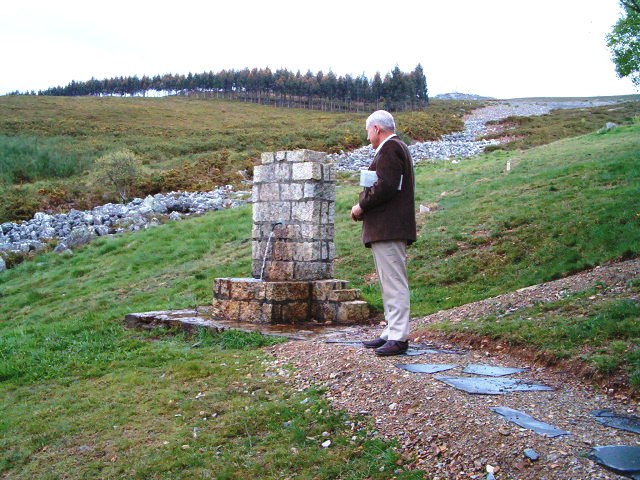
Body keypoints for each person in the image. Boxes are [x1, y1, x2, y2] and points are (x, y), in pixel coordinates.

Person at [351, 110, 417, 356]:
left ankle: (398, 336)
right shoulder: (395, 148)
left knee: (394, 282)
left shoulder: (390, 149)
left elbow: (386, 186)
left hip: (388, 228)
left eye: (368, 131)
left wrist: (361, 205)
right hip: (386, 228)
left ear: (377, 128)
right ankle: (391, 331)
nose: (368, 137)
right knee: (389, 282)